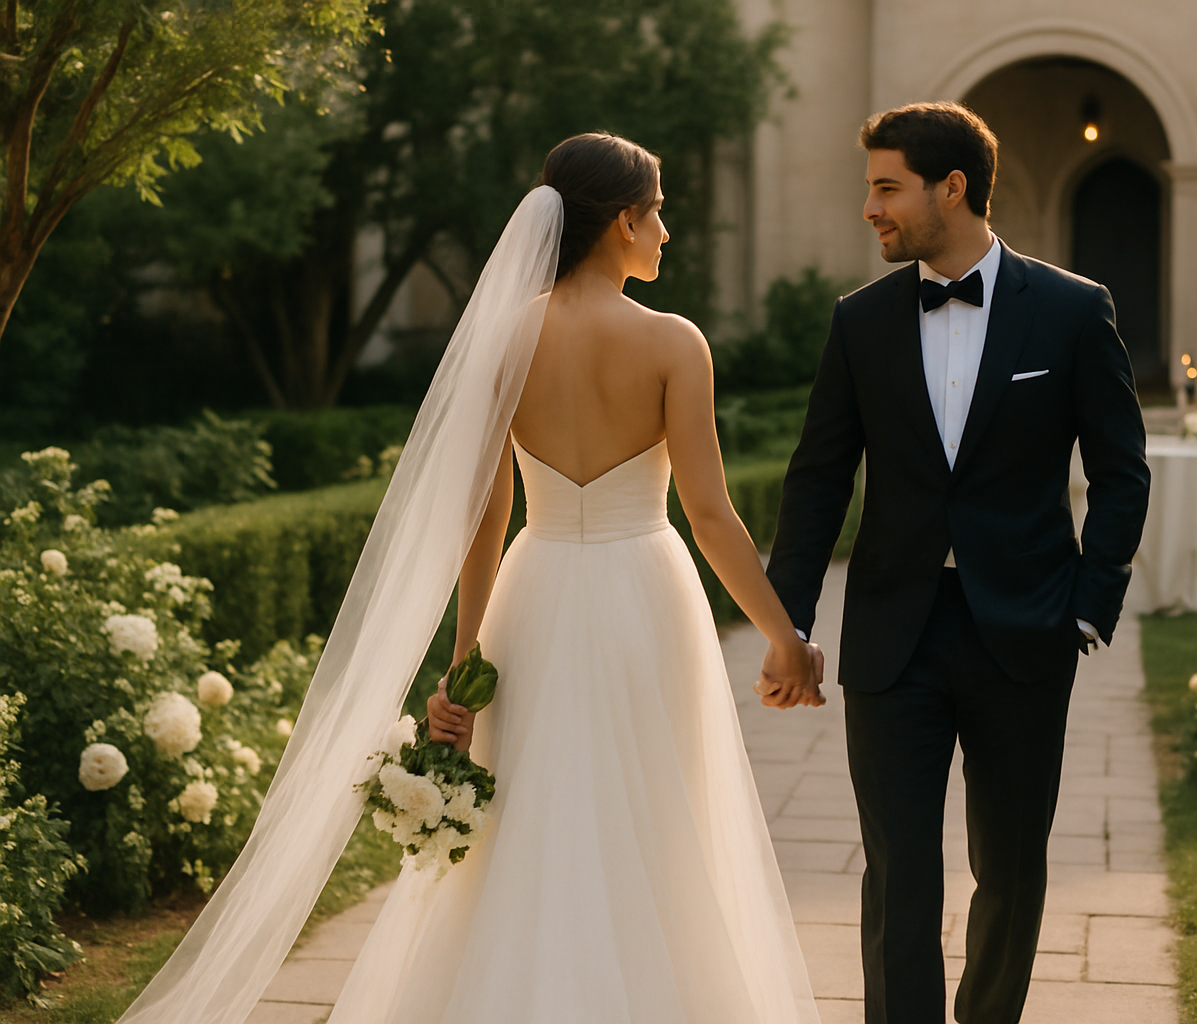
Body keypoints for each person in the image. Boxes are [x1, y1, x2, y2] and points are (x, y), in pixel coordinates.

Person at [117, 133, 824, 1024]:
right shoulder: (674, 343)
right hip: (644, 593)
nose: (666, 233)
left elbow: (483, 518)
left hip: (535, 589)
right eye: (655, 213)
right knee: (654, 811)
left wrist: (464, 664)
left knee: (530, 812)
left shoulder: (505, 338)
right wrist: (783, 638)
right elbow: (712, 516)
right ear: (617, 223)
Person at [764, 102, 1151, 1024]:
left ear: (953, 188)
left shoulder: (1069, 309)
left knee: (1010, 870)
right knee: (897, 872)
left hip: (1025, 632)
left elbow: (1121, 471)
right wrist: (788, 624)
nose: (871, 208)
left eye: (885, 186)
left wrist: (1090, 605)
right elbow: (818, 480)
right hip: (894, 637)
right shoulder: (859, 322)